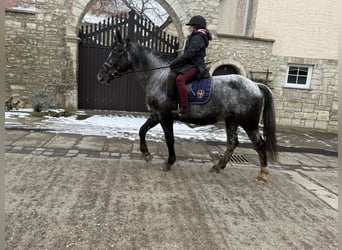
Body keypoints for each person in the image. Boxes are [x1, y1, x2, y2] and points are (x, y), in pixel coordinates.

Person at [169, 15, 212, 116]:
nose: (189, 28)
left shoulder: (198, 37)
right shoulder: (195, 36)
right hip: (190, 64)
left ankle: (185, 107)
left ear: (196, 26)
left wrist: (175, 62)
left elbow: (189, 55)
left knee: (180, 80)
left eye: (191, 26)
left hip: (196, 65)